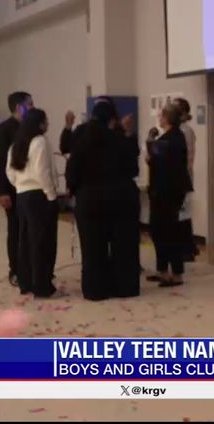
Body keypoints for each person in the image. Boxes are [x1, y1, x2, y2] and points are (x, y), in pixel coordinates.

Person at [65, 97, 141, 301]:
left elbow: (72, 173)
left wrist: (75, 191)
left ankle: (95, 289)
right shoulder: (120, 140)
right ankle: (125, 287)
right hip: (122, 199)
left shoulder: (82, 141)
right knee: (123, 246)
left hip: (90, 200)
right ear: (112, 120)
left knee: (92, 248)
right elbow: (133, 170)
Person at [6, 108, 59, 298]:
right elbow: (42, 171)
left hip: (22, 195)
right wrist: (51, 195)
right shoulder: (40, 141)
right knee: (42, 242)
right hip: (39, 195)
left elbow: (10, 173)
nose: (48, 124)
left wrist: (21, 185)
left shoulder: (16, 144)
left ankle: (26, 282)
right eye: (46, 121)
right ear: (39, 123)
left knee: (25, 241)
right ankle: (42, 285)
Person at [146, 104, 193, 287]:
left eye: (161, 115)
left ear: (166, 118)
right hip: (166, 190)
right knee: (160, 231)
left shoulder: (172, 139)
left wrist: (151, 151)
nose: (159, 118)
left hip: (167, 192)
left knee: (168, 232)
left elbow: (159, 162)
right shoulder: (172, 137)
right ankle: (163, 270)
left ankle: (176, 273)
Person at [0, 91, 33, 287]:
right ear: (19, 107)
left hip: (28, 188)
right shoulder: (4, 130)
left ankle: (30, 267)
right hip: (11, 189)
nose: (32, 107)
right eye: (29, 104)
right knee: (15, 229)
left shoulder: (30, 128)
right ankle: (15, 269)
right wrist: (1, 191)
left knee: (30, 230)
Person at [174, 97, 199, 258]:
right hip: (178, 176)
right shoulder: (177, 130)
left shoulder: (185, 131)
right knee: (180, 213)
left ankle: (187, 248)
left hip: (183, 176)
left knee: (183, 213)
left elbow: (184, 157)